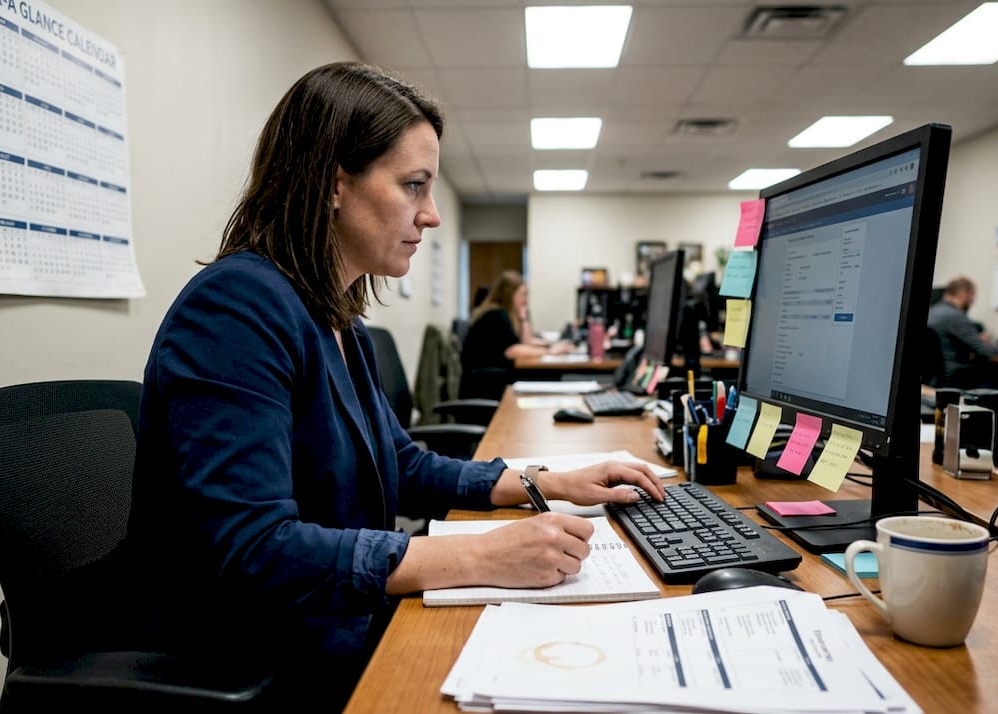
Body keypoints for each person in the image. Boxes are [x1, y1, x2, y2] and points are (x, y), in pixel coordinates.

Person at [126, 62, 664, 713]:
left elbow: (399, 462)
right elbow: (254, 548)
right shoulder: (237, 308)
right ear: (332, 183)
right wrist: (476, 557)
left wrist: (544, 482)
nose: (431, 215)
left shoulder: (332, 313)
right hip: (255, 654)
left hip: (332, 620)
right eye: (414, 186)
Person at [459, 270, 575, 399]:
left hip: (493, 376)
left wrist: (523, 318)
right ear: (509, 294)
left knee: (548, 376)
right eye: (522, 295)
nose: (525, 301)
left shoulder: (505, 314)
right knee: (548, 376)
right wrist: (550, 351)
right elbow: (512, 350)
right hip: (483, 383)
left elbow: (525, 342)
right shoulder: (495, 315)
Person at [927, 276, 998, 388]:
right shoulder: (955, 316)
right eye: (972, 295)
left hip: (931, 379)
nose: (973, 300)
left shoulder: (932, 311)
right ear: (962, 294)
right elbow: (984, 350)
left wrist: (975, 338)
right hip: (953, 378)